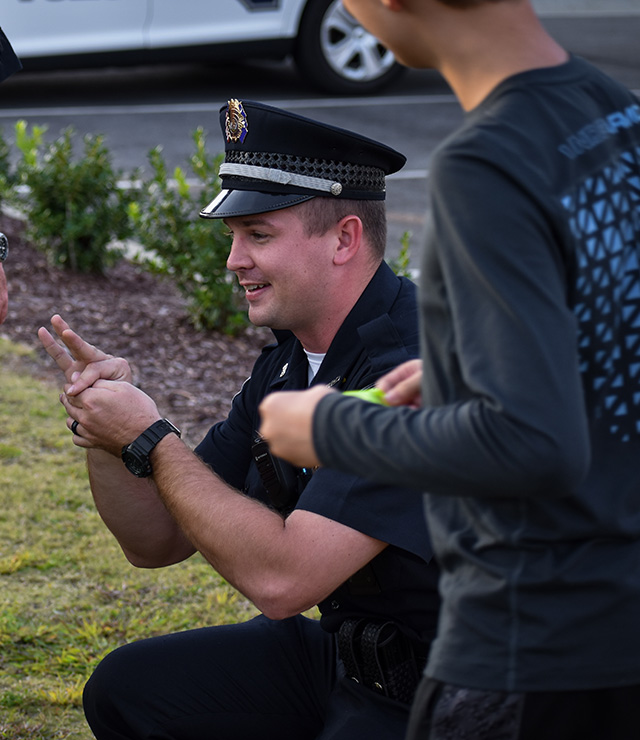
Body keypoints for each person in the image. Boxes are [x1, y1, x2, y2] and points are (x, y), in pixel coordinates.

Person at [255, 1, 640, 738]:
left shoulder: (487, 161)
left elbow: (532, 445)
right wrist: (478, 366)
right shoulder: (611, 108)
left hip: (537, 651)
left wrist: (329, 428)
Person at [38, 100, 440, 739]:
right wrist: (106, 433)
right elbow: (157, 542)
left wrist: (151, 438)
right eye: (233, 237)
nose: (233, 261)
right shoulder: (289, 361)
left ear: (344, 239)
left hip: (463, 695)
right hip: (357, 664)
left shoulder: (414, 372)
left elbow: (285, 580)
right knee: (131, 692)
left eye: (258, 235)